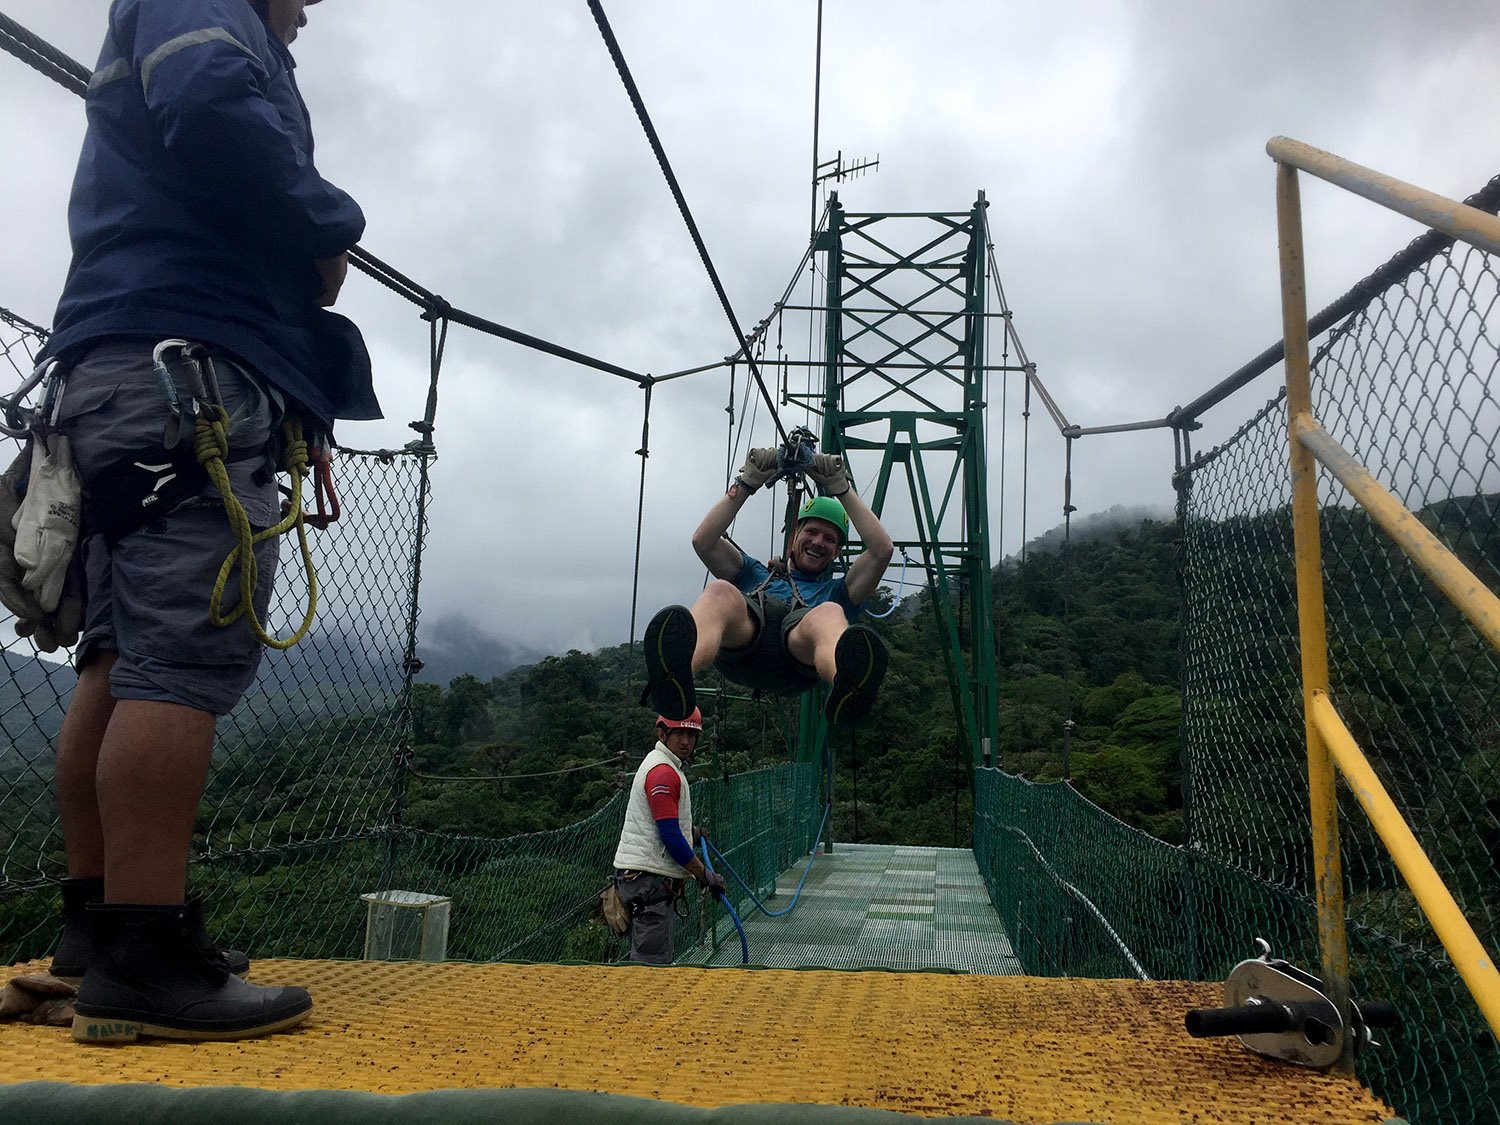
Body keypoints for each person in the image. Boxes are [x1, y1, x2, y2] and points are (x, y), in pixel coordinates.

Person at [34, 0, 377, 1042]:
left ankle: (99, 931)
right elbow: (211, 103)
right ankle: (145, 957)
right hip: (192, 376)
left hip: (122, 373)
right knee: (180, 663)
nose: (310, 7)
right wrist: (332, 227)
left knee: (117, 655)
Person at [644, 447, 894, 729]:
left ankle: (849, 687)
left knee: (828, 613)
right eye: (811, 532)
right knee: (720, 592)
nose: (818, 542)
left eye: (829, 539)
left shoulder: (836, 593)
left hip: (795, 660)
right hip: (745, 641)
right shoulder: (755, 573)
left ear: (836, 552)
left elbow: (881, 550)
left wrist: (841, 489)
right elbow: (704, 541)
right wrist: (746, 483)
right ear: (795, 534)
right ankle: (675, 676)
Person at [611, 710, 727, 964]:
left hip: (641, 876)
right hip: (649, 878)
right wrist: (703, 874)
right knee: (651, 962)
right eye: (680, 734)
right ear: (663, 734)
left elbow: (663, 823)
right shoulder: (663, 772)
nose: (686, 741)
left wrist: (691, 833)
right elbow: (670, 837)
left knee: (647, 952)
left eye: (691, 735)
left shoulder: (662, 764)